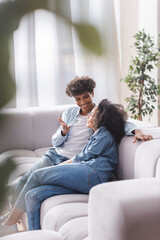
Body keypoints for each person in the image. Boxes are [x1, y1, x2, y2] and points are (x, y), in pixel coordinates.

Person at [3, 76, 152, 226]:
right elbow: (55, 142)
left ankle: (9, 223)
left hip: (78, 164)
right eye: (78, 99)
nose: (83, 103)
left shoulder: (101, 116)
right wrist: (63, 132)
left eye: (85, 96)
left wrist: (136, 130)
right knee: (30, 189)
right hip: (57, 154)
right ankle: (21, 222)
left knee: (34, 177)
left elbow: (122, 121)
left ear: (92, 93)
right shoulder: (70, 113)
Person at [5, 99, 128, 229]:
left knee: (36, 175)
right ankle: (37, 235)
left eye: (93, 114)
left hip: (92, 175)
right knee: (33, 195)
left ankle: (9, 222)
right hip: (86, 178)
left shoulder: (104, 133)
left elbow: (82, 158)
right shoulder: (97, 134)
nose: (89, 116)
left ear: (101, 119)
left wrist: (58, 167)